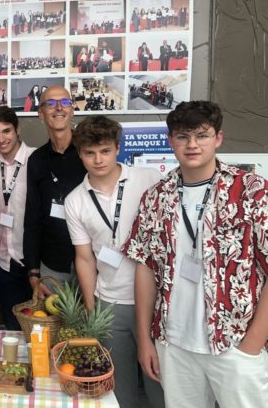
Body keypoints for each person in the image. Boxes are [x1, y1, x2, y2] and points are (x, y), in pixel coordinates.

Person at [124, 101, 268, 408]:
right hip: (173, 344)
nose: (192, 144)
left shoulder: (251, 190)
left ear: (218, 138)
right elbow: (145, 268)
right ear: (171, 141)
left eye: (201, 135)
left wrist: (253, 342)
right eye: (182, 136)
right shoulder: (155, 196)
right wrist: (145, 340)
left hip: (234, 343)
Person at [64, 116, 164, 408]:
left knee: (159, 379)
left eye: (105, 150)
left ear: (118, 148)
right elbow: (84, 258)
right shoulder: (75, 200)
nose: (98, 159)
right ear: (80, 154)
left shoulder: (148, 179)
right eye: (90, 152)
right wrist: (93, 308)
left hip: (156, 300)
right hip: (109, 301)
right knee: (117, 386)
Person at [24, 86, 86, 297]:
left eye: (65, 102)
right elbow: (32, 217)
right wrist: (33, 270)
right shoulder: (36, 160)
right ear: (40, 113)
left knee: (89, 329)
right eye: (50, 103)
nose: (59, 108)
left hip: (93, 262)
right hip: (52, 265)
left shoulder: (89, 152)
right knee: (52, 327)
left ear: (72, 110)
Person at [0, 106, 36, 330]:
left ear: (17, 129)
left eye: (6, 131)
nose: (1, 139)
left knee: (39, 327)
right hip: (6, 259)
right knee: (12, 324)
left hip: (34, 260)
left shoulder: (36, 159)